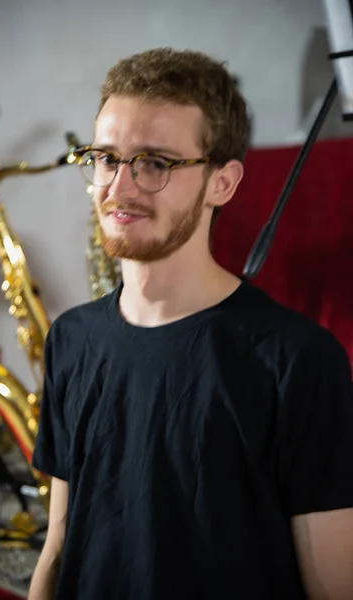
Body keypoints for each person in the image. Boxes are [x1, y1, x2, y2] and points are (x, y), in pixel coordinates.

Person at [29, 47, 353, 600]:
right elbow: (59, 545)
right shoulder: (70, 338)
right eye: (106, 158)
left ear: (223, 183)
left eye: (155, 162)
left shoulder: (298, 359)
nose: (120, 187)